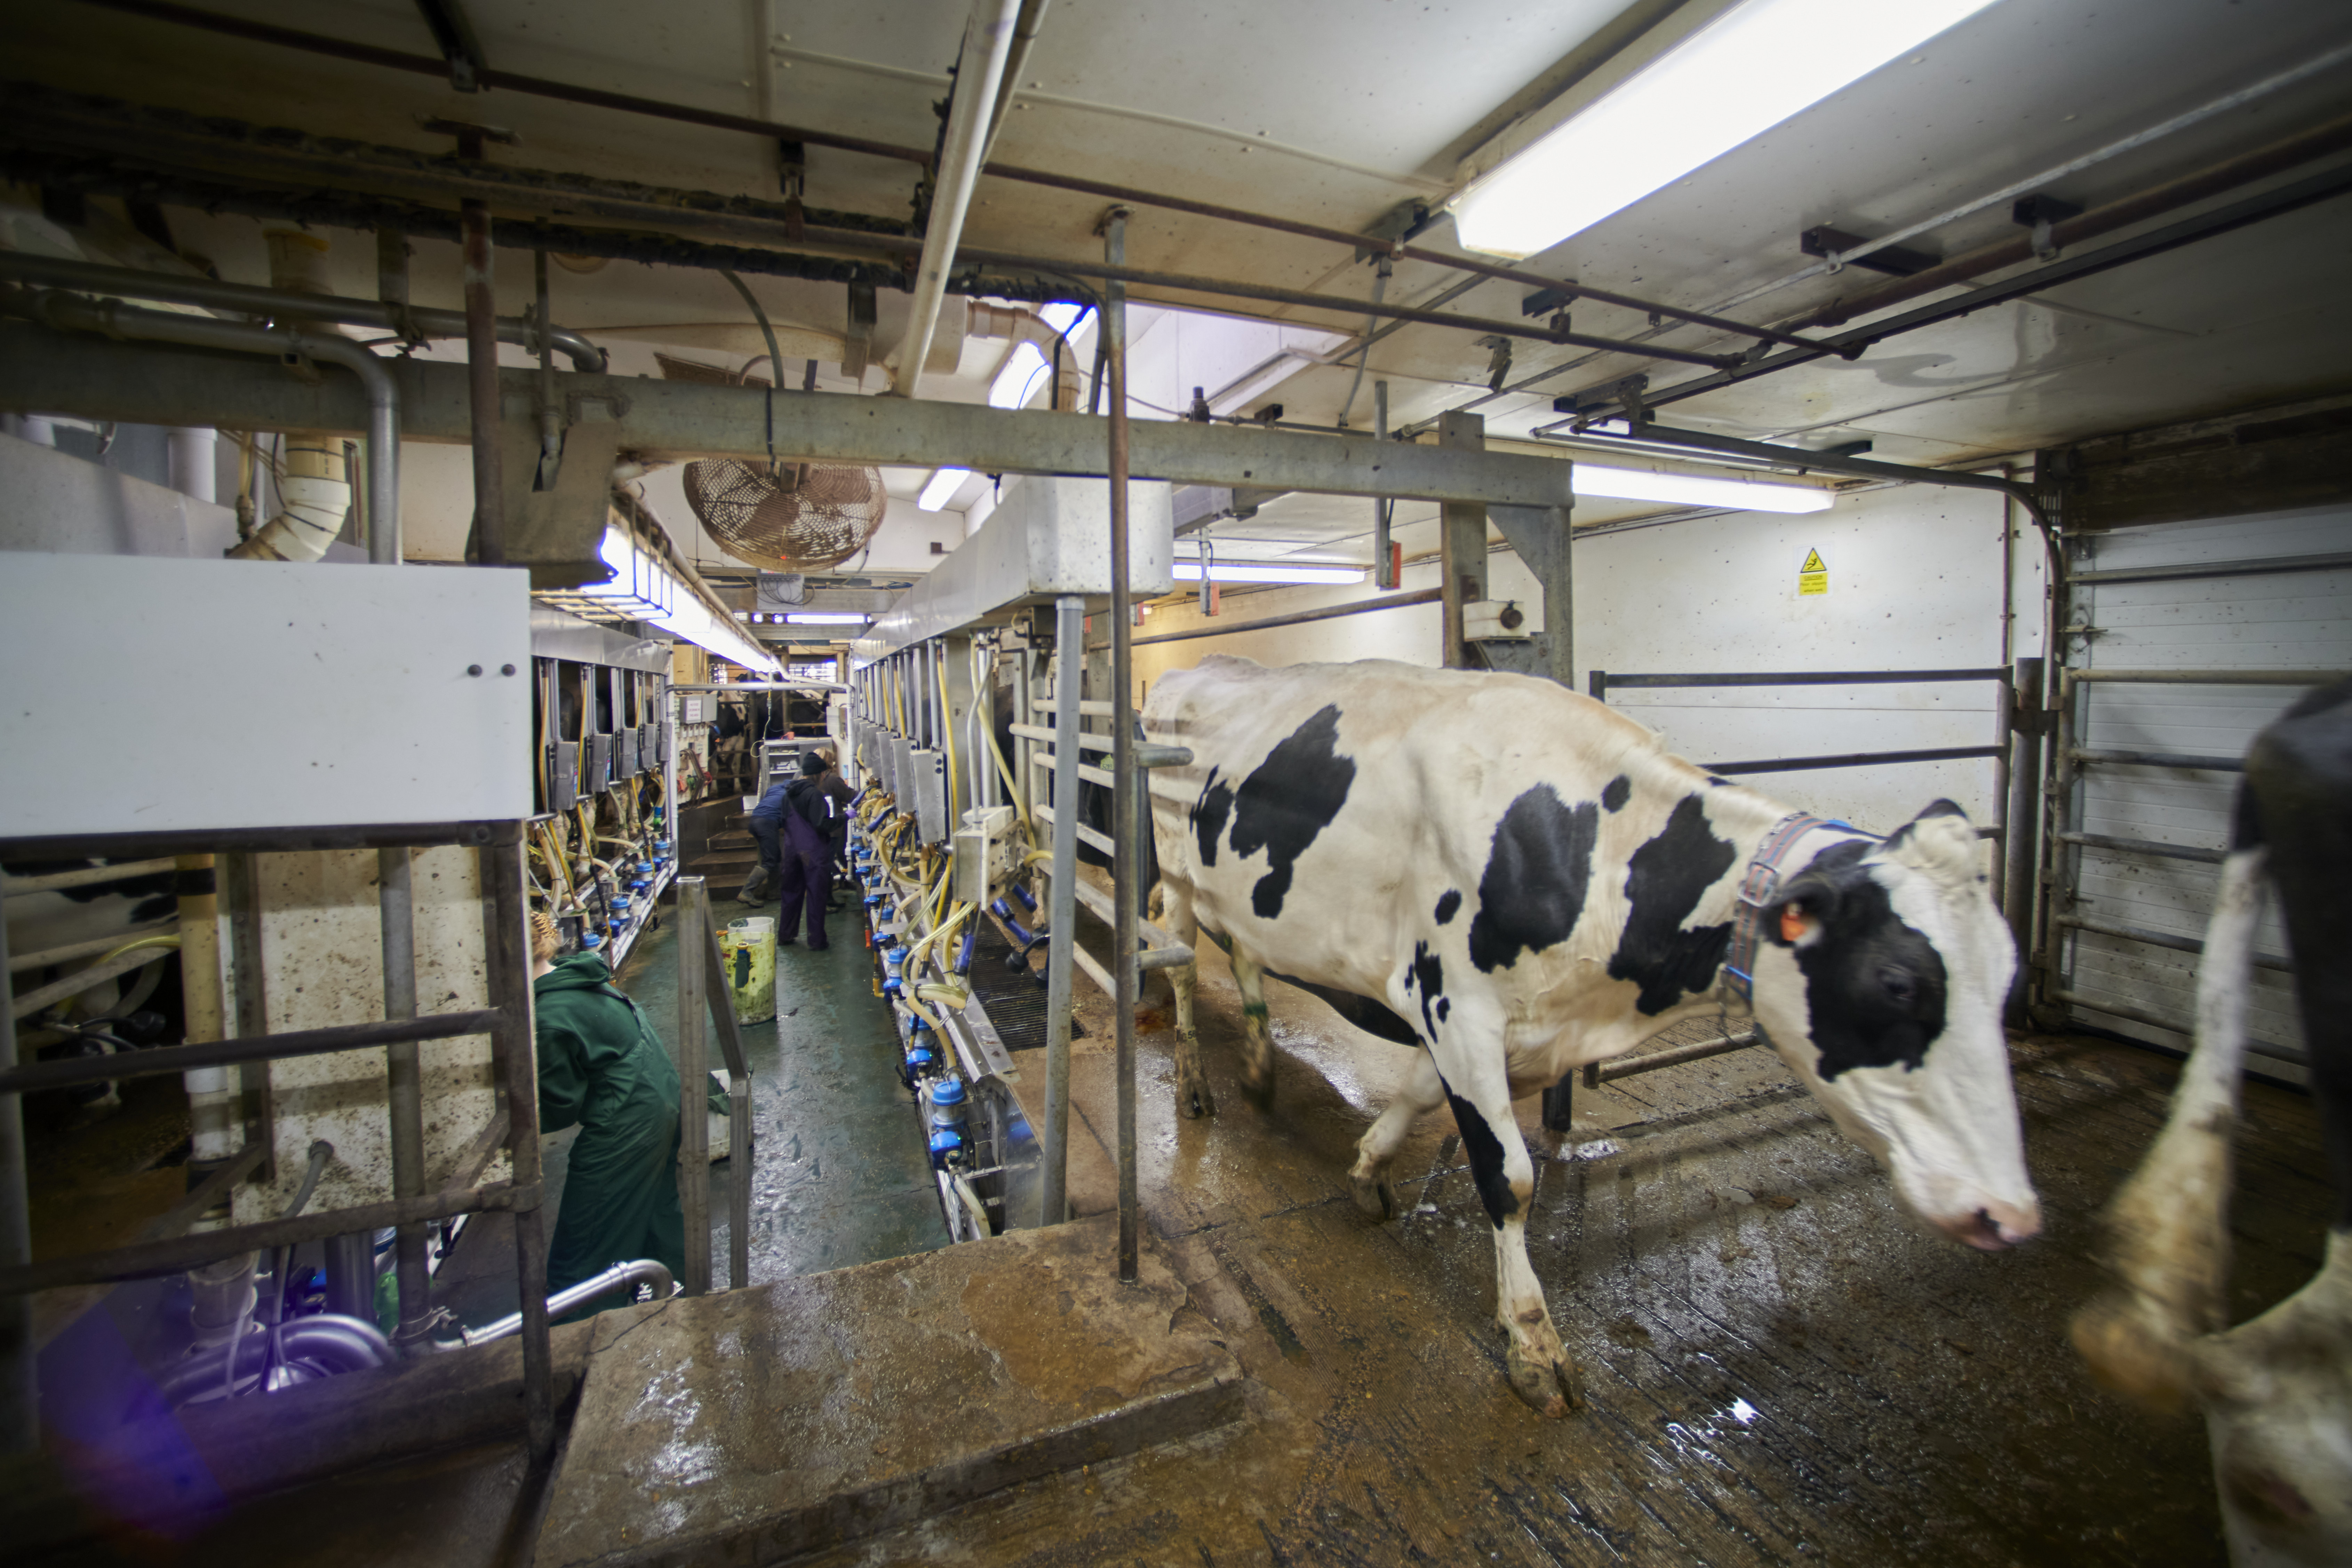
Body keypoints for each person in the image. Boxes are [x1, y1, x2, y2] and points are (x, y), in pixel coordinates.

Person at [528, 913, 686, 1317]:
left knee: (585, 1248)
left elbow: (557, 1106)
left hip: (628, 1121)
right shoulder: (570, 975)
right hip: (660, 1093)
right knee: (652, 1213)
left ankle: (584, 1342)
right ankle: (675, 1297)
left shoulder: (546, 1019)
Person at [776, 749, 854, 949]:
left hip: (791, 851)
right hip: (812, 853)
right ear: (819, 775)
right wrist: (845, 817)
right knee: (816, 895)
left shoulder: (787, 794)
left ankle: (786, 935)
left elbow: (783, 821)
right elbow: (822, 824)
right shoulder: (815, 795)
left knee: (791, 893)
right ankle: (817, 941)